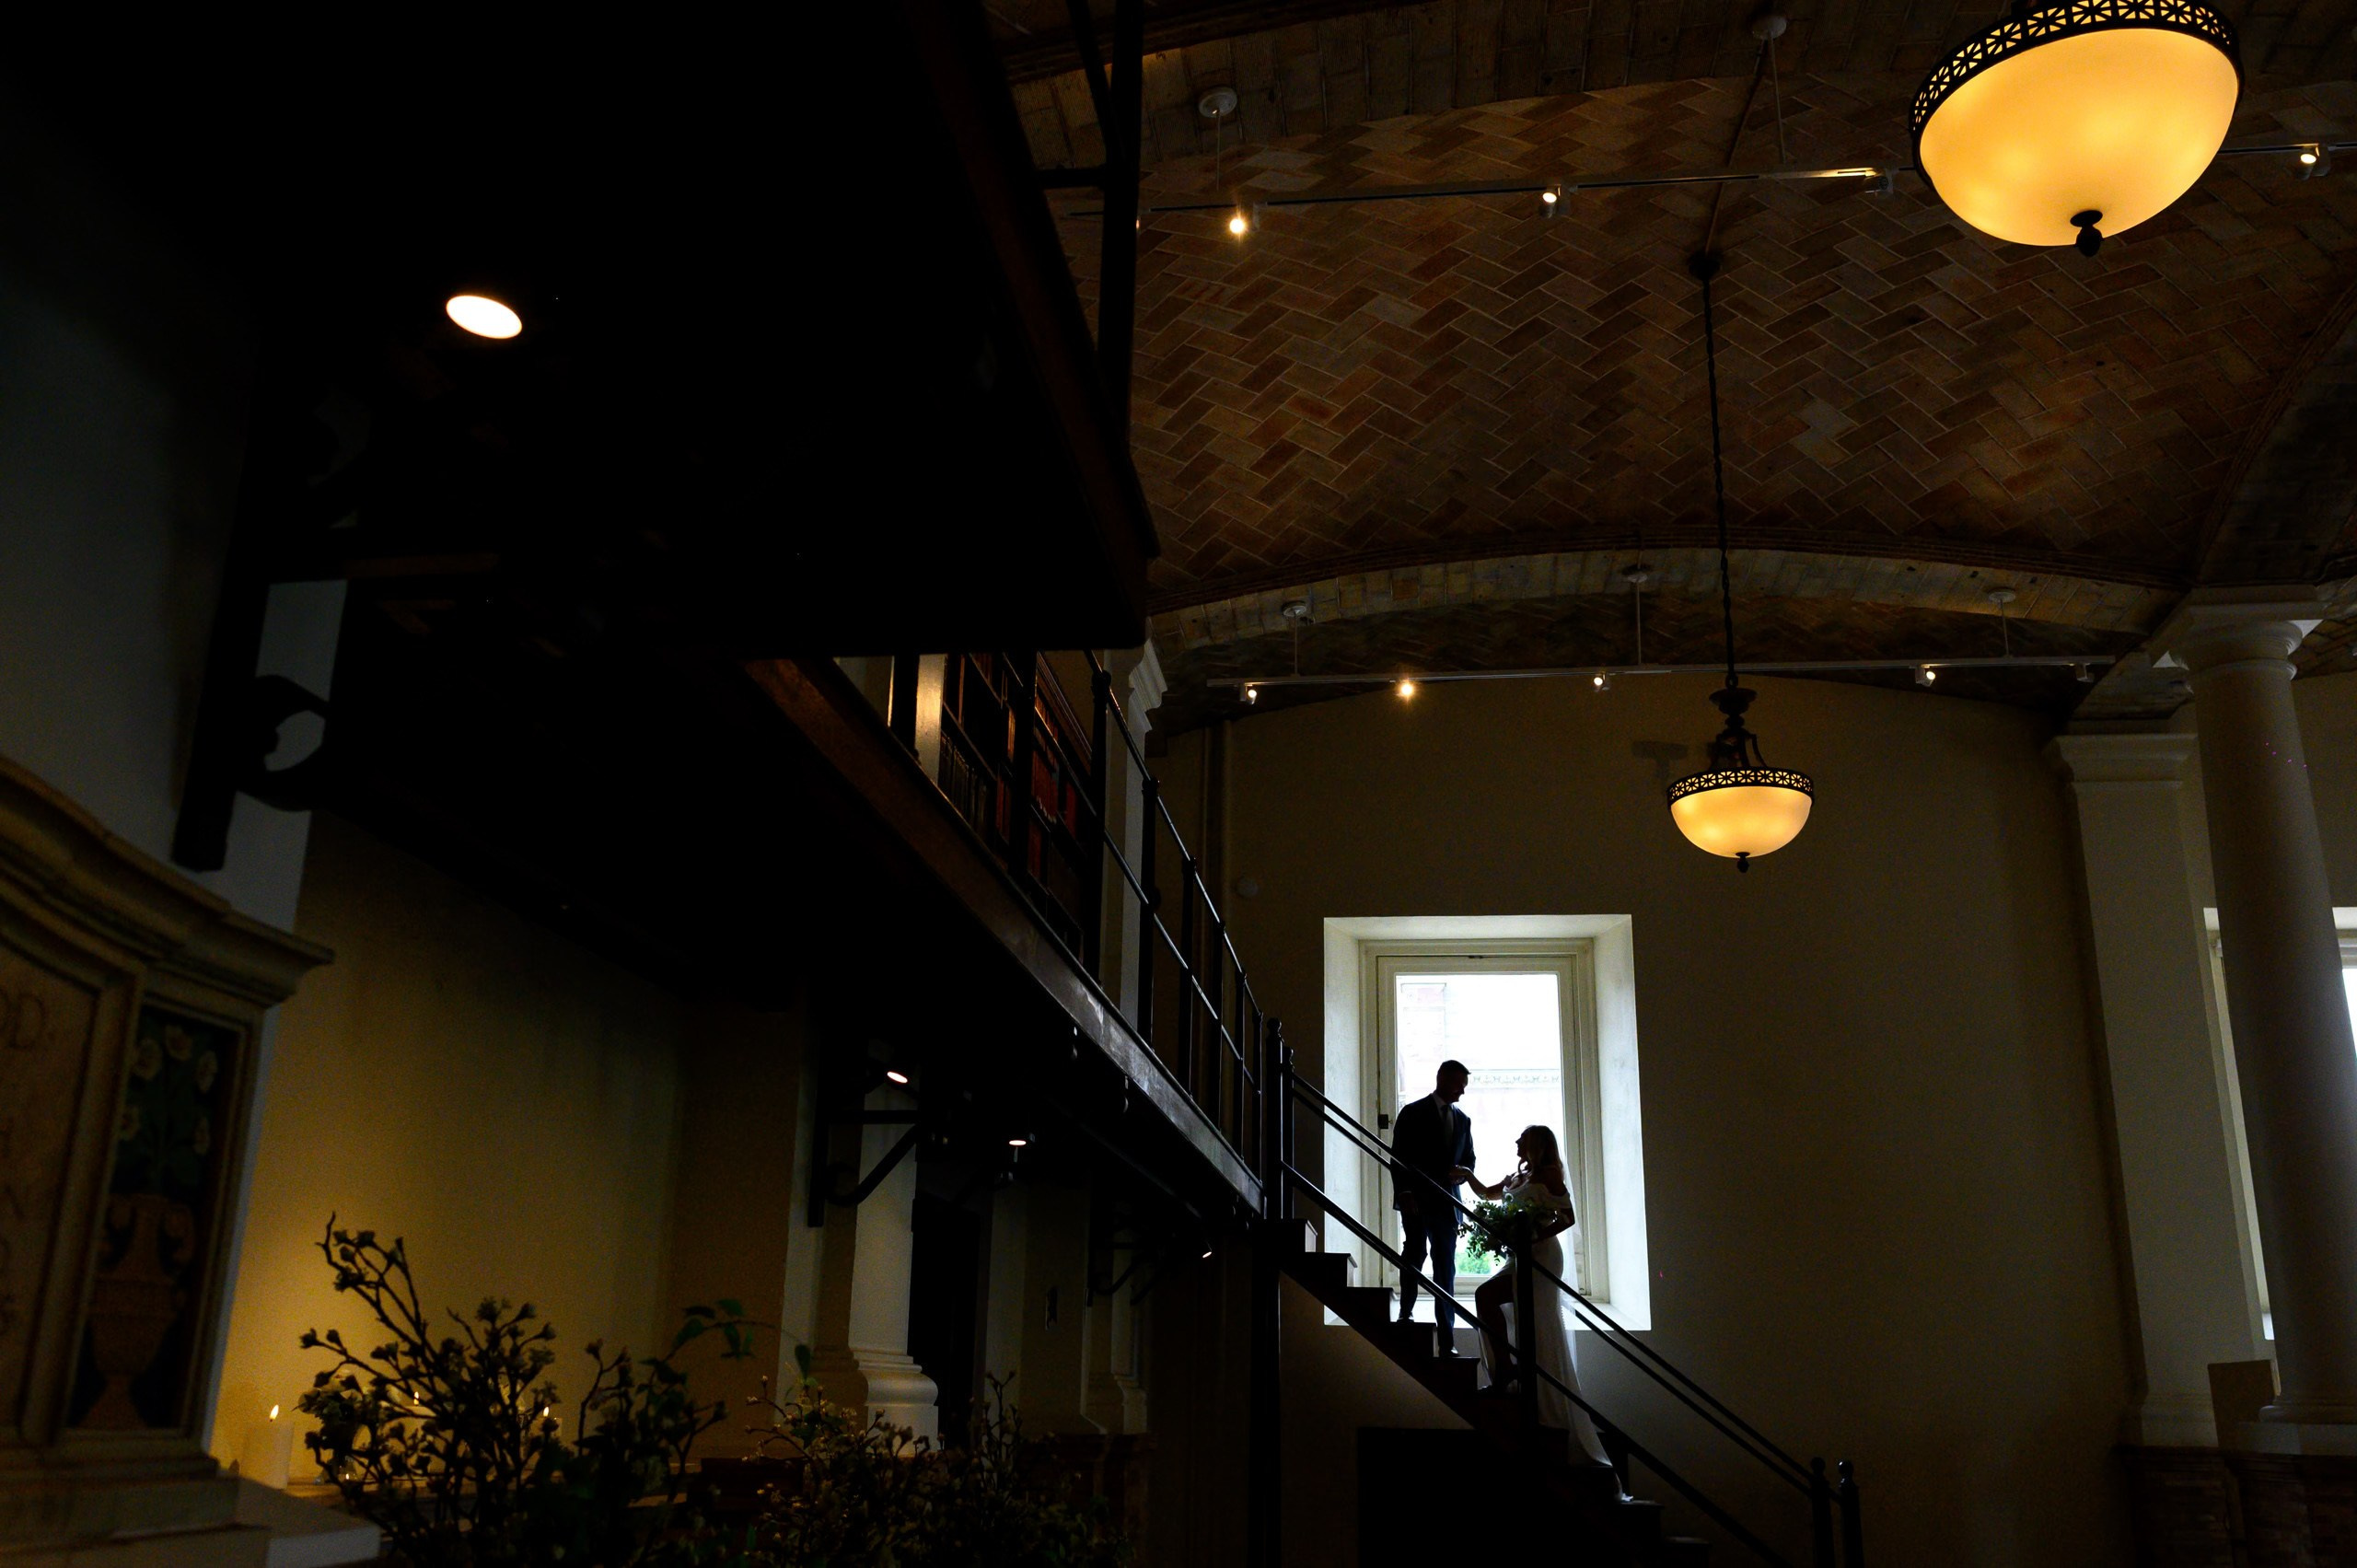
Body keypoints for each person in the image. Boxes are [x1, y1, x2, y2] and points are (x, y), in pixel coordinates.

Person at [1467, 1124, 1611, 1465]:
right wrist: (1467, 1175)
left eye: (1522, 1138)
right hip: (1520, 1254)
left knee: (1524, 1314)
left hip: (1542, 1254)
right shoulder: (1520, 1176)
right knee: (1485, 1297)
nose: (1516, 1141)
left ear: (1535, 1144)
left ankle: (1516, 1377)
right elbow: (1489, 1193)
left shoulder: (1548, 1174)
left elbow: (1569, 1216)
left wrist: (1536, 1236)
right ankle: (1506, 1371)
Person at [1388, 1060, 1474, 1345]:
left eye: (1464, 1086)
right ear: (1442, 1079)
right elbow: (1398, 1156)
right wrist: (1405, 1193)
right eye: (1459, 1084)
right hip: (1417, 1199)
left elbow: (1469, 1159)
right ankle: (1405, 1313)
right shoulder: (1412, 1112)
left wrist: (1462, 1175)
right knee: (1414, 1253)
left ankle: (1447, 1336)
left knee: (1445, 1268)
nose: (1462, 1092)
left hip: (1449, 1203)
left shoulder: (1463, 1120)